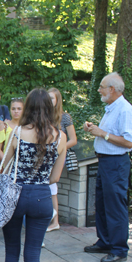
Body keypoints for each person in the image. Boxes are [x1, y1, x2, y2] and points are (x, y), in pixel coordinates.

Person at [1, 89, 66, 262]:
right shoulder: (59, 136)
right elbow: (55, 177)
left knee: (11, 251)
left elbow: (6, 162)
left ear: (27, 107)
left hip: (15, 196)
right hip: (41, 197)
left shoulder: (17, 132)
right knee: (33, 254)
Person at [83, 72, 132, 262]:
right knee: (102, 205)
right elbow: (108, 134)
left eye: (102, 86)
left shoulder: (124, 110)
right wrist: (94, 129)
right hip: (105, 162)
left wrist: (103, 134)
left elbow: (129, 142)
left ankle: (120, 249)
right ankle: (105, 242)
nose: (98, 90)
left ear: (112, 89)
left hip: (116, 164)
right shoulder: (111, 108)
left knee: (115, 207)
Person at [46, 88, 77, 232]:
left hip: (58, 156)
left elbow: (73, 140)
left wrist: (59, 149)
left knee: (52, 187)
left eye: (52, 98)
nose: (49, 101)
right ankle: (50, 219)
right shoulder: (43, 116)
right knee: (46, 187)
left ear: (57, 100)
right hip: (44, 155)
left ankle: (54, 221)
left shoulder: (64, 117)